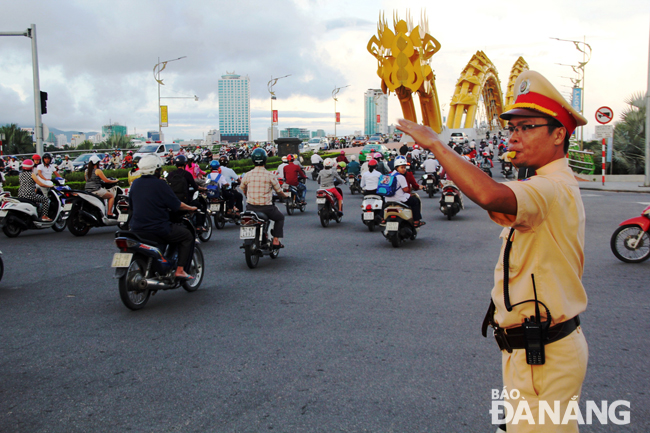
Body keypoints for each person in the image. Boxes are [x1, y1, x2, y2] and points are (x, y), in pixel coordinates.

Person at [397, 70, 588, 433]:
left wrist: (437, 144)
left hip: (543, 357)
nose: (514, 136)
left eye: (527, 127)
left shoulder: (551, 187)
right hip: (530, 353)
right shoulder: (542, 185)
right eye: (512, 128)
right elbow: (498, 206)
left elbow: (489, 195)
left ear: (559, 134)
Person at [129, 154, 197, 280]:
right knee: (187, 235)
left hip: (136, 229)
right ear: (156, 170)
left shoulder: (135, 183)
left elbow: (132, 205)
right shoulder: (160, 184)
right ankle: (180, 270)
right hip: (157, 228)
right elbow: (176, 205)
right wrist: (191, 208)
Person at [240, 148, 288, 248]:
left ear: (252, 160)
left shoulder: (248, 175)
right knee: (280, 218)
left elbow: (243, 189)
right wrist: (284, 196)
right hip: (266, 208)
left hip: (250, 208)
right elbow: (279, 191)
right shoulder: (270, 175)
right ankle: (275, 241)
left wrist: (247, 195)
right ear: (265, 160)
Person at [387, 156, 424, 227]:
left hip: (388, 199)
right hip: (400, 198)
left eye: (404, 167)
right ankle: (416, 221)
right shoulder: (402, 177)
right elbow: (406, 190)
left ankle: (382, 218)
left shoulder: (390, 175)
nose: (404, 169)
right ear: (397, 167)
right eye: (402, 167)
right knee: (415, 201)